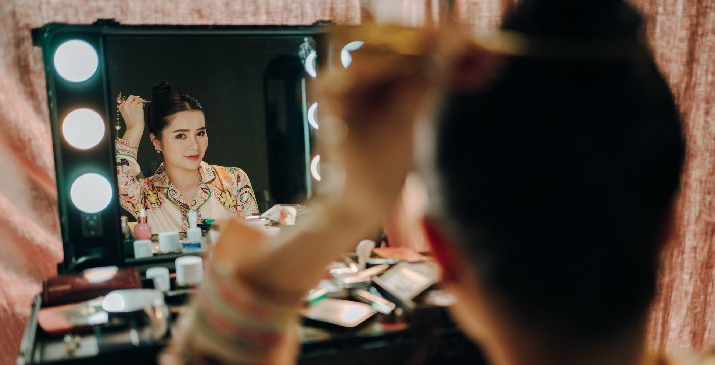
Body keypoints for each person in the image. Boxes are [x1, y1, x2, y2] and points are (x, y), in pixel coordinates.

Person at [162, 1, 713, 365]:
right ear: (667, 221)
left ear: (442, 251)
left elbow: (224, 333)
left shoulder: (231, 180)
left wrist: (348, 210)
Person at [116, 82, 258, 233]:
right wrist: (134, 128)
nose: (195, 145)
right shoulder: (144, 196)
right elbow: (116, 179)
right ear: (157, 142)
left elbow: (257, 243)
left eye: (200, 133)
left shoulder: (233, 181)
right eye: (181, 136)